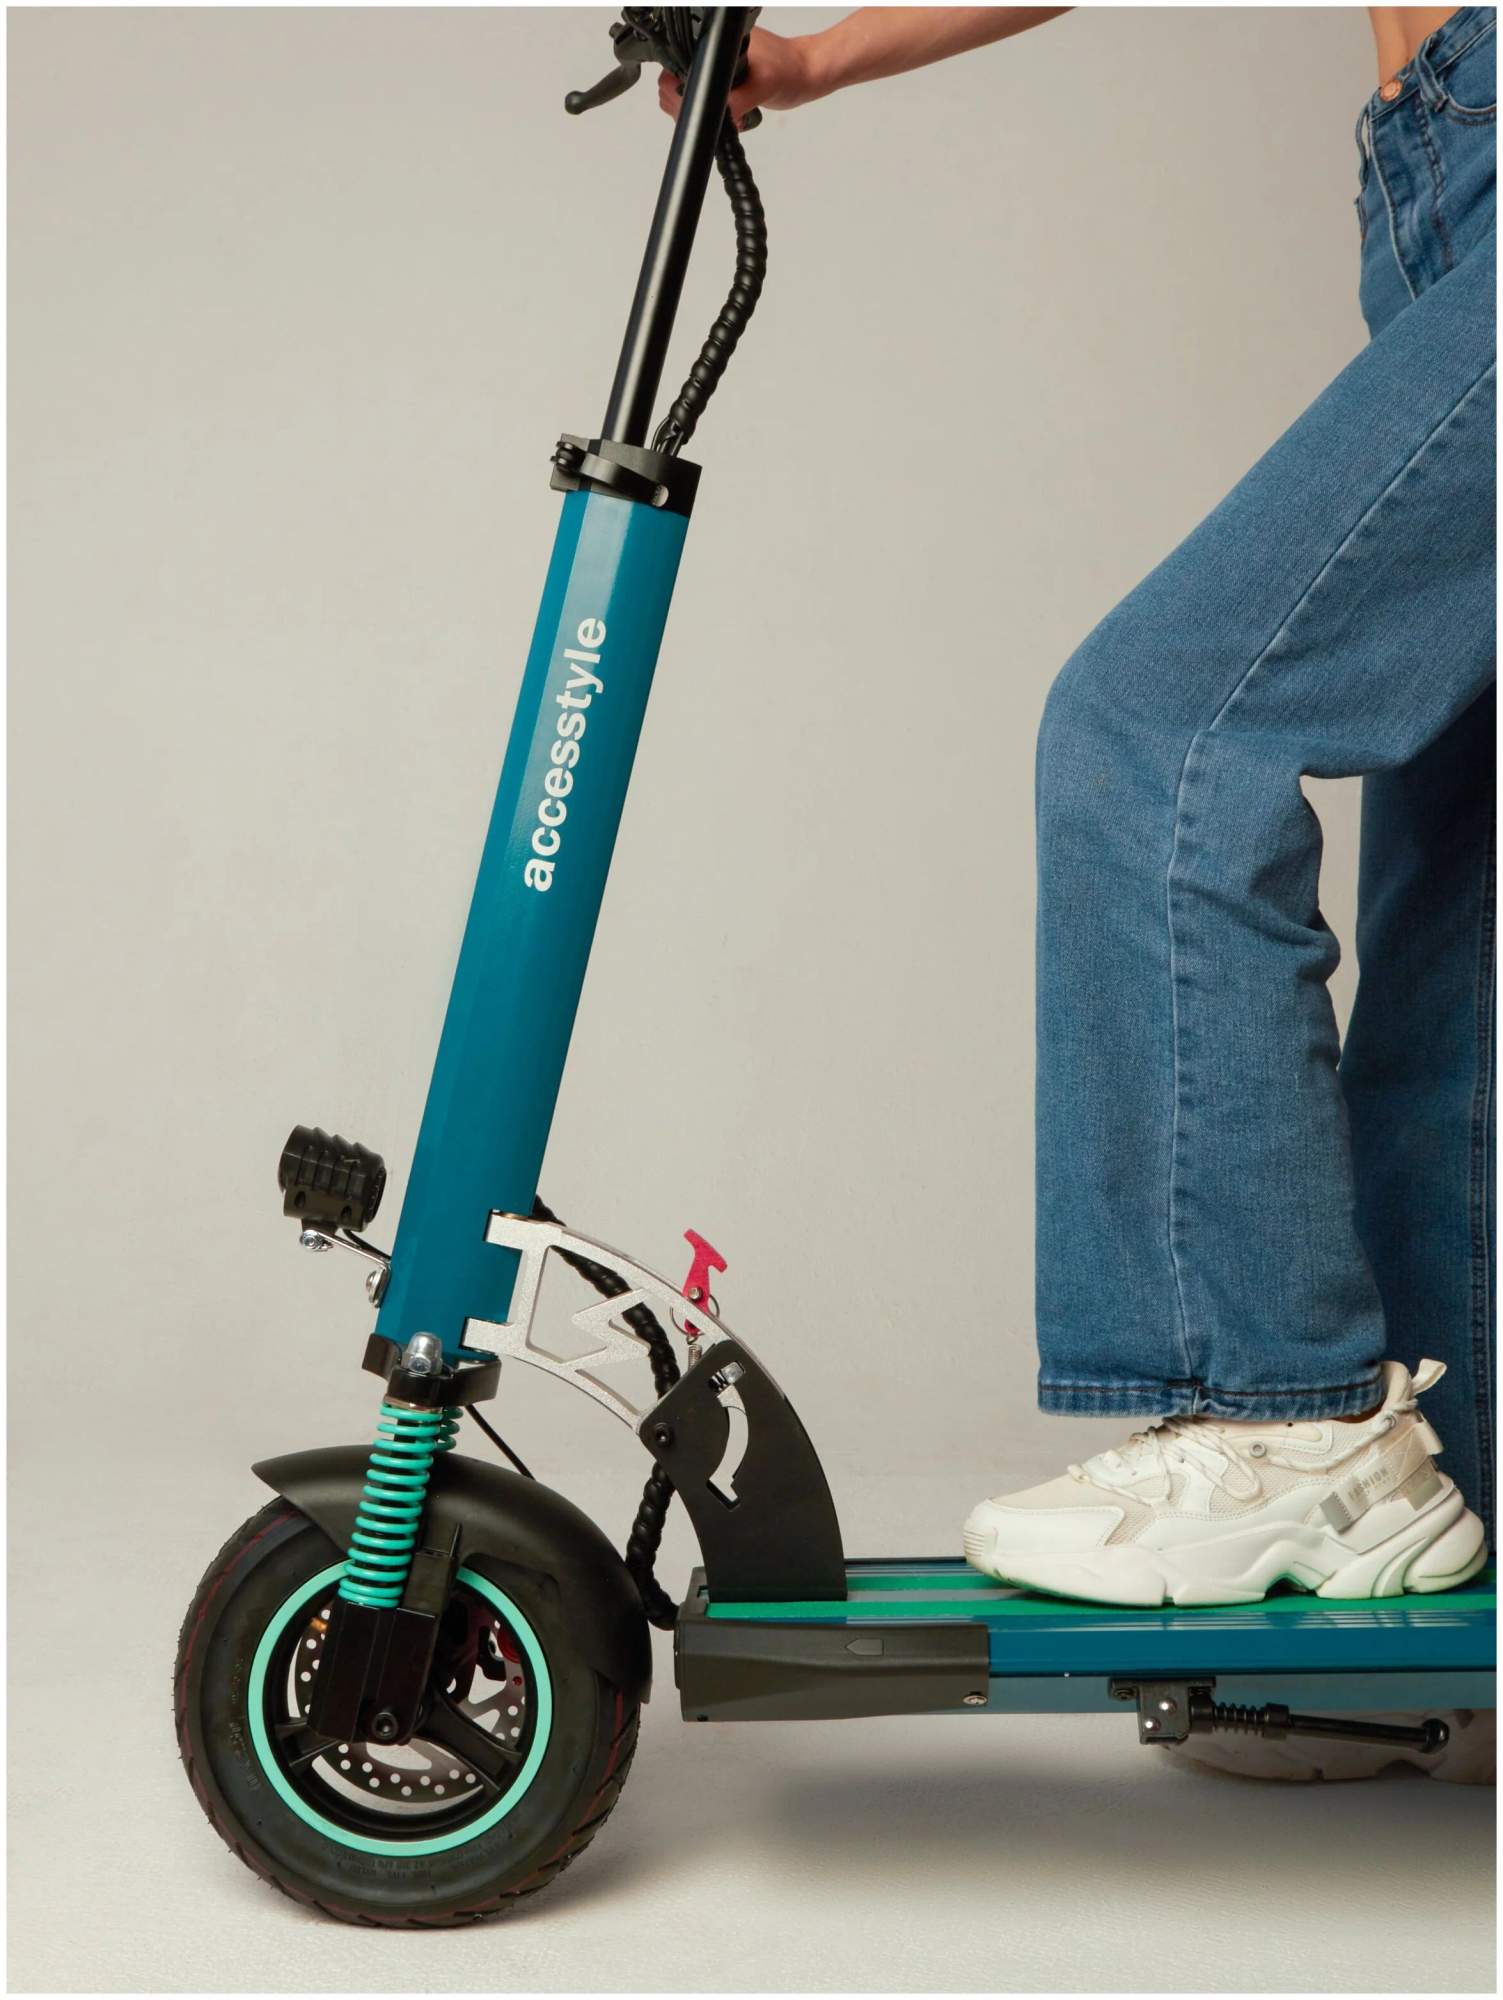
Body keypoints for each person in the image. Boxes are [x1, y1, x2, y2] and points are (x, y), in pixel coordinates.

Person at [664, 10, 1496, 1612]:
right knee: (1451, 950)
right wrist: (823, 61)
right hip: (1436, 196)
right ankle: (1431, 1558)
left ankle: (1281, 1417)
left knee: (1164, 732)